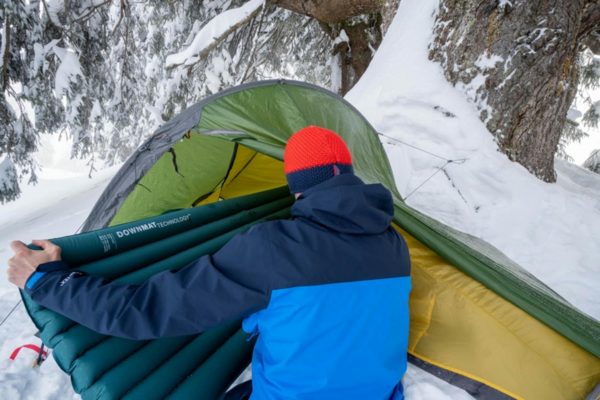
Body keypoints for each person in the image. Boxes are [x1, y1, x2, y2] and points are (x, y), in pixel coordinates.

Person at [7, 126, 411, 400]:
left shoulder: (274, 248)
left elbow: (142, 312)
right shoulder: (394, 245)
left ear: (296, 186)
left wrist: (46, 280)